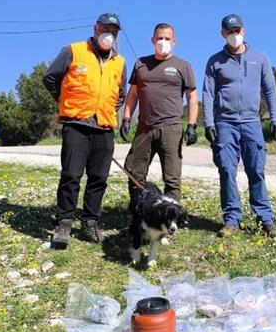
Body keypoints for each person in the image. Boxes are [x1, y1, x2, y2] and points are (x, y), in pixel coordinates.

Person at [42, 13, 126, 247]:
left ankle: (90, 222)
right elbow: (50, 78)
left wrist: (108, 109)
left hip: (104, 126)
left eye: (114, 31)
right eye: (105, 29)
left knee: (99, 178)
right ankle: (64, 223)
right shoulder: (74, 51)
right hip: (76, 124)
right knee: (71, 175)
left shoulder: (119, 62)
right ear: (96, 28)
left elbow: (121, 93)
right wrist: (66, 102)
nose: (109, 34)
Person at [202, 13, 276, 238]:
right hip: (225, 123)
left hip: (251, 122)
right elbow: (208, 93)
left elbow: (270, 89)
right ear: (223, 34)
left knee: (256, 170)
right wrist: (209, 123)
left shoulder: (260, 57)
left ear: (243, 31)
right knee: (227, 170)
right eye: (229, 32)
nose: (234, 35)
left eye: (237, 31)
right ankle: (232, 220)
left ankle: (265, 220)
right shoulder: (214, 61)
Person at [120, 22, 198, 209]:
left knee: (172, 177)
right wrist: (126, 118)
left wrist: (192, 124)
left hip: (171, 128)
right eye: (159, 38)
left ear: (174, 41)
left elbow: (192, 97)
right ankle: (138, 209)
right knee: (134, 170)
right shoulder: (141, 64)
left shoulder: (183, 66)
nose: (163, 42)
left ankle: (171, 215)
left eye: (167, 38)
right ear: (152, 40)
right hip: (145, 128)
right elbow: (133, 94)